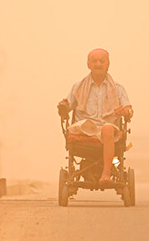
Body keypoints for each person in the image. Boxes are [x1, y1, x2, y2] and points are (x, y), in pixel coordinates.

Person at [57, 48, 133, 185]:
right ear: (88, 64)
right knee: (87, 125)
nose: (98, 64)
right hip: (85, 128)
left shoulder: (118, 88)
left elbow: (129, 110)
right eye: (94, 61)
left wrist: (125, 112)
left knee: (107, 129)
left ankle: (106, 174)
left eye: (102, 61)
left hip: (108, 130)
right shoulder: (78, 87)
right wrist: (63, 107)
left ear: (108, 64)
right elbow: (67, 107)